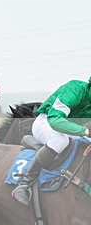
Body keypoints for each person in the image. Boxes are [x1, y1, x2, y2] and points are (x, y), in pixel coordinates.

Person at [11, 77, 91, 205]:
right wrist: (85, 131)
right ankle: (24, 184)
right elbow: (55, 120)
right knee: (60, 141)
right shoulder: (75, 88)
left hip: (73, 130)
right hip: (46, 122)